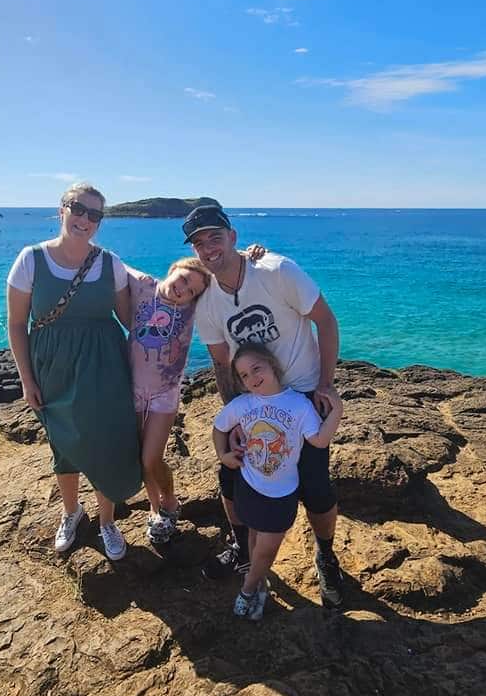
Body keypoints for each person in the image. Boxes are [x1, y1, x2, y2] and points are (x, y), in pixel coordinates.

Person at [183, 203, 344, 608]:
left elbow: (325, 321)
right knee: (231, 475)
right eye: (199, 243)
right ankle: (242, 546)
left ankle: (326, 555)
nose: (209, 248)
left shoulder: (277, 271)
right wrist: (236, 417)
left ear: (233, 237)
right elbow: (221, 363)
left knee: (315, 488)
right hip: (251, 401)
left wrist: (325, 384)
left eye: (215, 237)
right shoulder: (207, 302)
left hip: (303, 394)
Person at [6, 183, 141, 559]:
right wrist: (26, 379)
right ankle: (71, 512)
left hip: (105, 367)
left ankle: (107, 521)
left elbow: (130, 319)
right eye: (78, 209)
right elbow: (16, 324)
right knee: (63, 444)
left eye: (94, 214)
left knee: (106, 443)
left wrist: (178, 298)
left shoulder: (111, 263)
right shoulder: (30, 260)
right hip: (52, 367)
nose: (85, 219)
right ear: (62, 209)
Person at [124, 246, 266, 547]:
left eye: (191, 291)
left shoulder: (191, 309)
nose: (183, 290)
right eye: (184, 279)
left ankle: (170, 501)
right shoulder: (143, 284)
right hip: (132, 390)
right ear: (174, 268)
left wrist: (245, 254)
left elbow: (227, 276)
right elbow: (110, 264)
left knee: (151, 457)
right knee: (140, 457)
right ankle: (155, 509)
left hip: (164, 394)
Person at [213, 342, 343, 619]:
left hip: (282, 494)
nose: (252, 378)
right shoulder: (243, 404)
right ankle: (259, 582)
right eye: (244, 375)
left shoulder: (299, 405)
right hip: (249, 487)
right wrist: (223, 455)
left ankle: (248, 588)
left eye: (256, 368)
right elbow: (219, 427)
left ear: (273, 365)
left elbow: (319, 441)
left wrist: (337, 411)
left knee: (267, 548)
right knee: (254, 537)